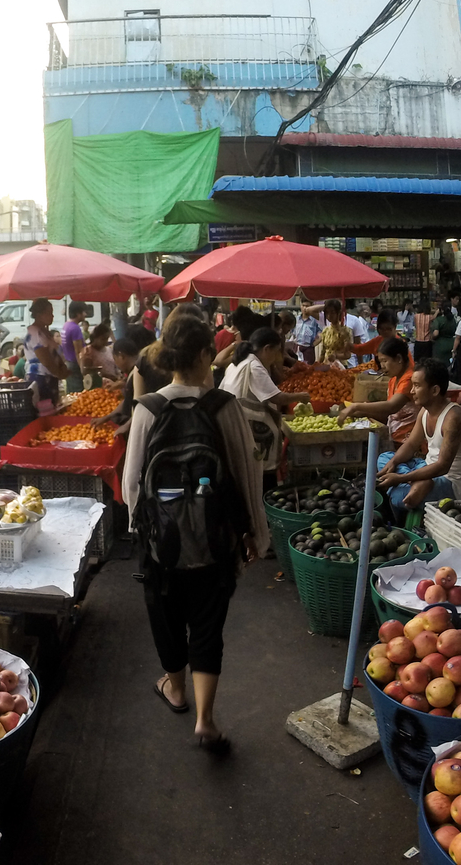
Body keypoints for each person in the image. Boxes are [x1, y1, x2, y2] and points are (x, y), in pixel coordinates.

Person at [122, 313, 264, 755]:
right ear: (206, 355)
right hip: (216, 540)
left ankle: (176, 689)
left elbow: (131, 485)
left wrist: (141, 531)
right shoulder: (224, 407)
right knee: (206, 625)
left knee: (166, 619)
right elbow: (246, 474)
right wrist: (255, 535)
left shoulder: (148, 410)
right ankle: (205, 719)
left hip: (161, 546)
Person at [376, 358, 461, 526]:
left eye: (417, 386)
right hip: (427, 468)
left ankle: (418, 484)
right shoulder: (424, 411)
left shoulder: (453, 419)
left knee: (397, 498)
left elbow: (442, 467)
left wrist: (401, 478)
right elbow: (411, 445)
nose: (411, 391)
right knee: (384, 458)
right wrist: (394, 462)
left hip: (451, 484)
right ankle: (420, 483)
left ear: (434, 390)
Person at [220, 326, 311, 488]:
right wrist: (301, 396)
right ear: (267, 349)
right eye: (276, 352)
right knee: (260, 475)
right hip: (248, 427)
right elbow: (277, 397)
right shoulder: (254, 366)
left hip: (233, 424)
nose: (277, 358)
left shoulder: (238, 362)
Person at [339, 337, 417, 452]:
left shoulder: (409, 379)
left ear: (399, 359)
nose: (382, 366)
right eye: (380, 362)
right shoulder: (393, 380)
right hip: (395, 438)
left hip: (409, 443)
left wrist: (356, 406)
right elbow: (389, 414)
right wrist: (363, 413)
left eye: (385, 361)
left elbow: (391, 406)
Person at [23, 299, 67, 414]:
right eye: (49, 313)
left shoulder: (44, 332)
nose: (52, 316)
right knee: (45, 413)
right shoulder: (35, 333)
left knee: (52, 410)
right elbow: (45, 360)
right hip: (41, 379)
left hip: (50, 377)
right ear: (39, 315)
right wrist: (60, 373)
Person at [98, 334, 146, 437]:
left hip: (138, 428)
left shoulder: (139, 374)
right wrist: (108, 417)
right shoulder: (134, 372)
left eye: (115, 359)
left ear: (121, 356)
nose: (117, 364)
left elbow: (143, 406)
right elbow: (128, 400)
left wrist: (127, 426)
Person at [59, 301, 88, 393]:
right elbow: (78, 351)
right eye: (84, 312)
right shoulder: (75, 328)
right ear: (78, 313)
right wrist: (82, 369)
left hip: (68, 363)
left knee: (71, 393)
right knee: (78, 394)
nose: (85, 314)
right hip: (75, 365)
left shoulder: (66, 325)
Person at [79, 321, 119, 388]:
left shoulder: (109, 350)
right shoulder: (88, 351)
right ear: (95, 338)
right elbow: (84, 371)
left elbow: (115, 367)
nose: (106, 341)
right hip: (97, 387)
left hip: (113, 385)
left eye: (107, 338)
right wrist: (105, 375)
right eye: (103, 339)